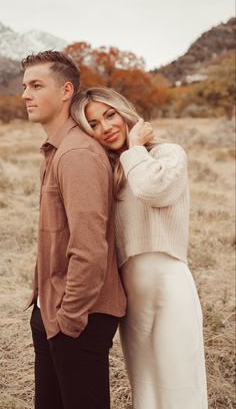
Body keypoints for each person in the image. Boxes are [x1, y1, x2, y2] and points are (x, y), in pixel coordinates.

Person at [71, 87, 208, 409]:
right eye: (93, 124)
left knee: (179, 379)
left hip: (168, 280)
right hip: (129, 291)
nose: (105, 128)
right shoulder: (107, 172)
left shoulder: (168, 154)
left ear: (124, 112)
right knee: (145, 386)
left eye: (109, 115)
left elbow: (152, 191)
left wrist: (134, 146)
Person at [21, 52, 126, 409]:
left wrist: (70, 319)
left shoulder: (77, 154)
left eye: (36, 85)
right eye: (24, 86)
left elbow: (89, 247)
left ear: (67, 90)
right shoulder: (57, 149)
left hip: (79, 315)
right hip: (53, 308)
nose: (25, 95)